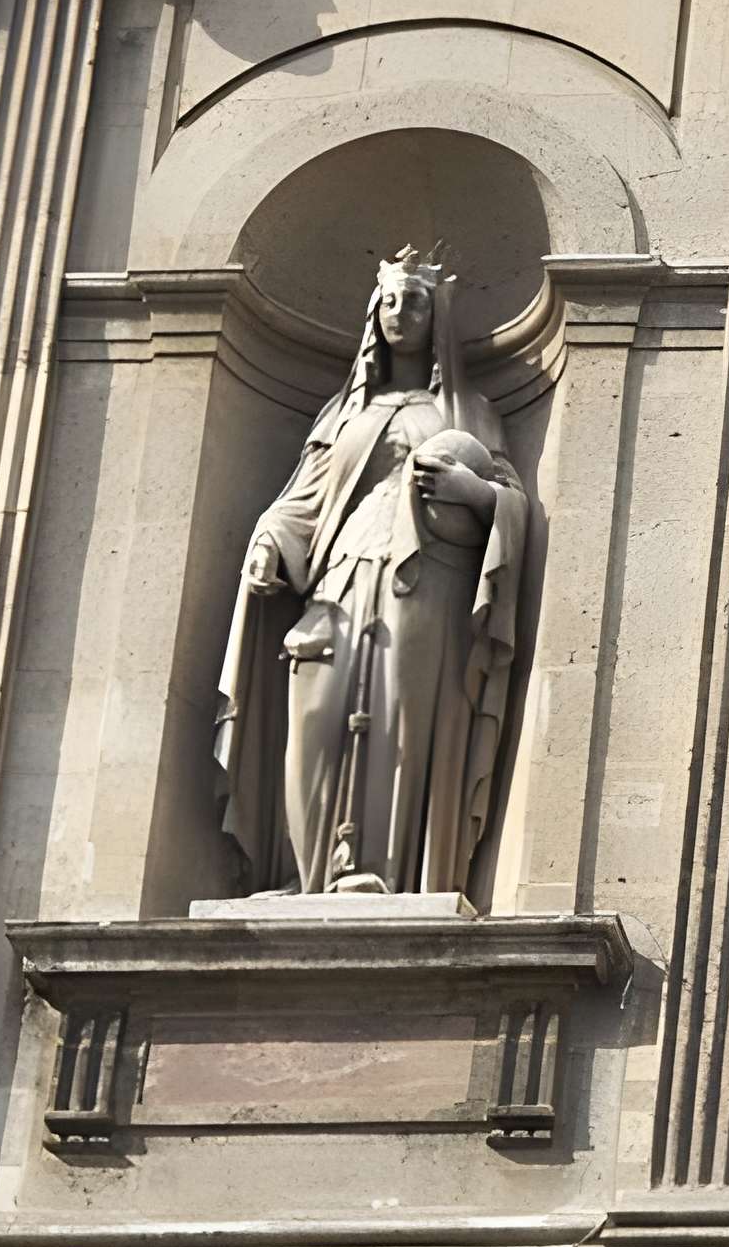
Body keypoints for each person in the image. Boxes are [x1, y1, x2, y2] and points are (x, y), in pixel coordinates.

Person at [214, 248, 532, 897]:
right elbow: (304, 499)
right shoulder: (343, 413)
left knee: (399, 720)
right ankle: (307, 876)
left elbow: (511, 499)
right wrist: (269, 541)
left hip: (425, 582)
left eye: (414, 300)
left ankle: (386, 875)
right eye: (388, 300)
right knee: (314, 718)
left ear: (436, 316)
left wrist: (474, 493)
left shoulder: (467, 413)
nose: (399, 312)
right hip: (337, 579)